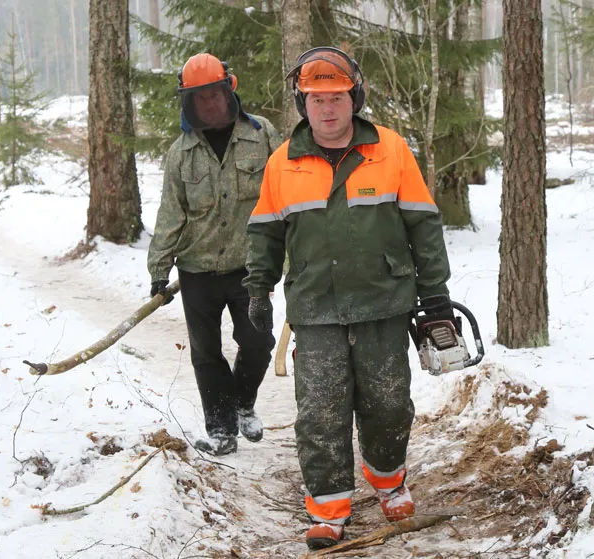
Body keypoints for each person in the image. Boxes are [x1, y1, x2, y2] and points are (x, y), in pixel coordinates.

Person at [243, 47, 453, 549]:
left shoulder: (390, 149)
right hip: (315, 309)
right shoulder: (283, 163)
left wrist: (437, 296)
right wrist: (258, 289)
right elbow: (264, 234)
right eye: (317, 99)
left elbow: (423, 225)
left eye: (336, 97)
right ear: (303, 104)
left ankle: (388, 480)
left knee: (388, 404)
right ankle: (328, 508)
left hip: (384, 302)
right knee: (320, 412)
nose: (328, 108)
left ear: (353, 98)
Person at [147, 53, 282, 456]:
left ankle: (243, 404)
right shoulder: (181, 153)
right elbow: (171, 213)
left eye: (215, 94)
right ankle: (221, 428)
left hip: (250, 268)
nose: (209, 103)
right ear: (188, 102)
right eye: (199, 98)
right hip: (197, 270)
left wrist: (292, 253)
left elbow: (285, 198)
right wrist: (159, 267)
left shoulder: (263, 135)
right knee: (206, 355)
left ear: (229, 90)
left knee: (258, 342)